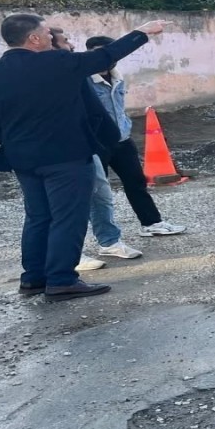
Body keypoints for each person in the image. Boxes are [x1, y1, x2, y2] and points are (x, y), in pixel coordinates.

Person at [0, 14, 163, 301]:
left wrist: (18, 138)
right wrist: (142, 32)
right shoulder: (58, 63)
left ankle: (33, 279)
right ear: (33, 38)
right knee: (67, 218)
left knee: (38, 218)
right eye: (46, 33)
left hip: (22, 158)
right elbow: (107, 55)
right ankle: (61, 279)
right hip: (67, 156)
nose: (51, 37)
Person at [48, 29, 144, 270]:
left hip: (86, 144)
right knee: (65, 203)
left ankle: (109, 241)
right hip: (57, 149)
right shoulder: (52, 73)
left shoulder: (74, 69)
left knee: (100, 193)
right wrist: (142, 32)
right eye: (65, 41)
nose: (71, 45)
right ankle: (69, 255)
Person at [84, 35, 186, 238]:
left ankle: (152, 223)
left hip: (121, 140)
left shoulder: (117, 76)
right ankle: (106, 238)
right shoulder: (84, 81)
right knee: (97, 193)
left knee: (136, 182)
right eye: (98, 53)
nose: (105, 58)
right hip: (97, 144)